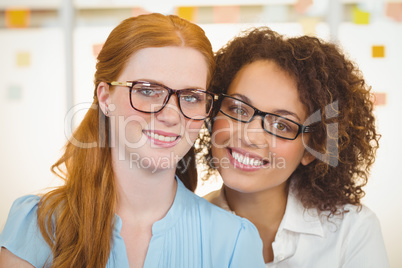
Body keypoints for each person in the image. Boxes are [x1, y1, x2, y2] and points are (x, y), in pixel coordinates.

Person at [0, 14, 266, 268]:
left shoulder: (234, 241)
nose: (171, 116)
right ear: (105, 98)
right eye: (148, 91)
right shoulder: (38, 224)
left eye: (191, 97)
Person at [200, 27, 390, 267]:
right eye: (238, 109)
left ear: (314, 149)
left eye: (282, 125)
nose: (250, 137)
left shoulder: (351, 231)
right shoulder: (181, 229)